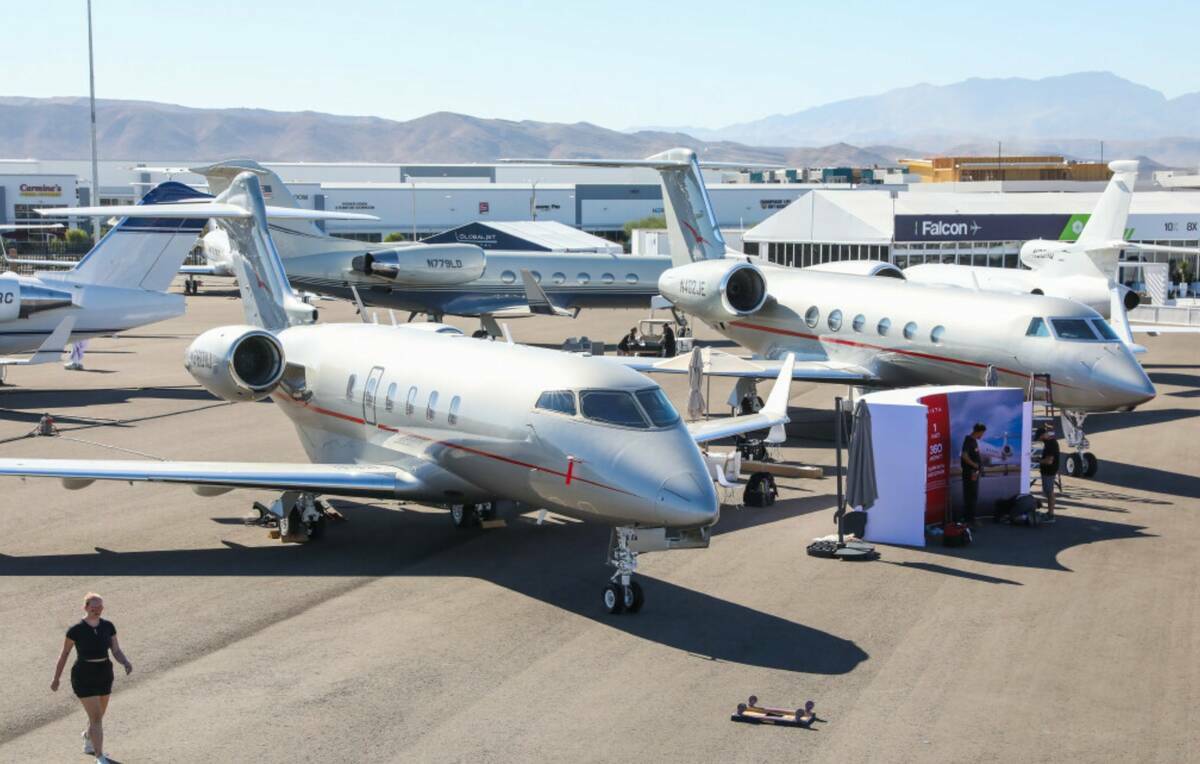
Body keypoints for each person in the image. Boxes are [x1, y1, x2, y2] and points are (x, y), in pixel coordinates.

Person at [51, 593, 133, 764]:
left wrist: (125, 661)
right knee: (96, 718)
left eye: (99, 607)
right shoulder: (76, 630)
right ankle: (99, 756)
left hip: (104, 673)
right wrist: (56, 678)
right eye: (93, 607)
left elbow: (115, 650)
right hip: (84, 675)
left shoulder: (108, 626)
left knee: (99, 716)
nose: (97, 610)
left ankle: (88, 737)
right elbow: (64, 653)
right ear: (86, 607)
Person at [960, 422, 986, 526]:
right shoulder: (968, 441)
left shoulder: (974, 441)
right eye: (982, 433)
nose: (982, 436)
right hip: (970, 473)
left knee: (972, 496)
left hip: (974, 473)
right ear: (978, 432)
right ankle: (969, 520)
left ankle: (970, 518)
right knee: (970, 496)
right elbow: (964, 456)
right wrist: (975, 465)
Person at [1036, 425, 1061, 523]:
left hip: (1049, 471)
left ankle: (1051, 515)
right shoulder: (1050, 442)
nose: (1040, 439)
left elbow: (1049, 461)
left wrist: (1039, 460)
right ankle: (1050, 513)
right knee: (1048, 492)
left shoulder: (1050, 444)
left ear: (1043, 435)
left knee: (1049, 492)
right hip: (1050, 471)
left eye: (1040, 437)